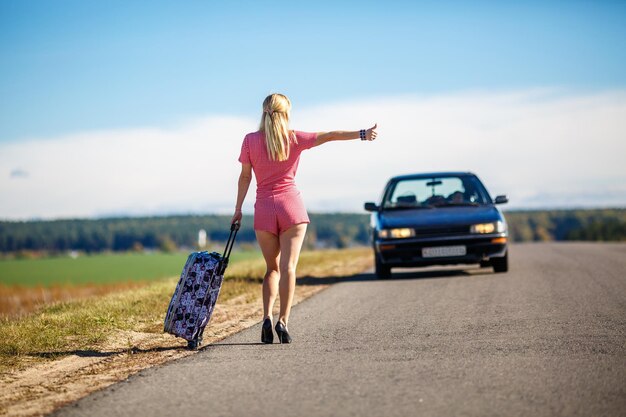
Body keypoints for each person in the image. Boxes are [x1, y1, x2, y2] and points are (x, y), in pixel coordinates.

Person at [231, 93, 378, 344]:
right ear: (286, 113)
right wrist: (362, 134)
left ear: (264, 112)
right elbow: (330, 135)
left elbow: (245, 177)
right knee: (289, 268)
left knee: (272, 269)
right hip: (291, 208)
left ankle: (266, 317)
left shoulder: (249, 140)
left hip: (264, 209)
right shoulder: (294, 138)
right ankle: (283, 322)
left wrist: (238, 210)